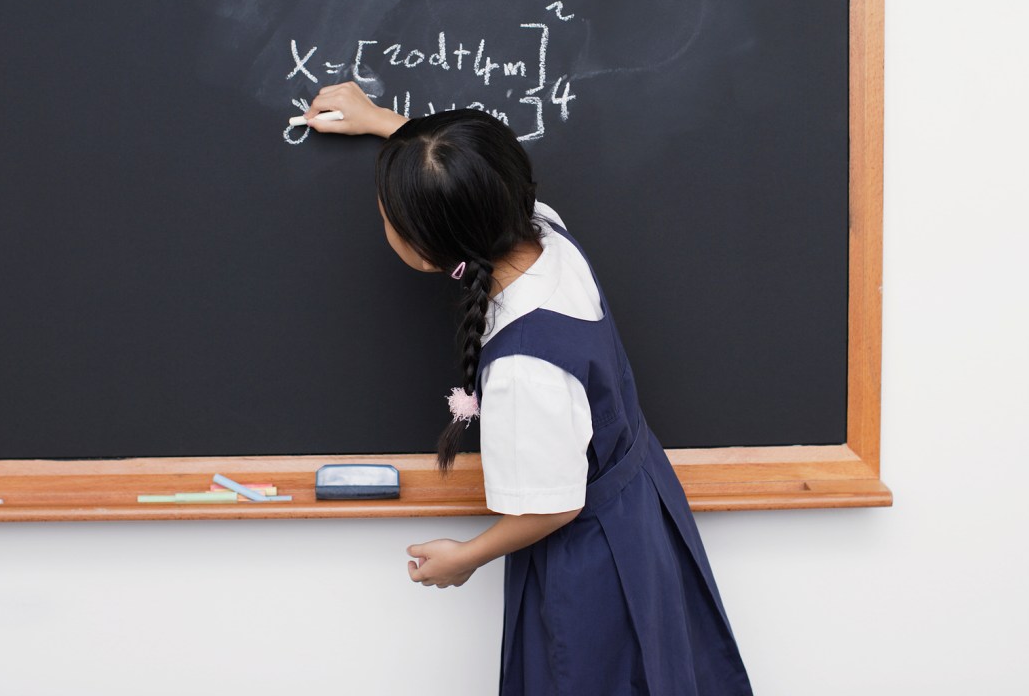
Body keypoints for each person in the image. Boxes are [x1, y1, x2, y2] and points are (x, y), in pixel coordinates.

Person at [303, 82, 754, 695]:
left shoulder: (523, 368)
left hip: (591, 555)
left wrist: (466, 557)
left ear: (430, 250)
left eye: (389, 219)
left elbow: (553, 505)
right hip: (636, 504)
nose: (383, 221)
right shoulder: (542, 231)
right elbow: (468, 183)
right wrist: (385, 122)